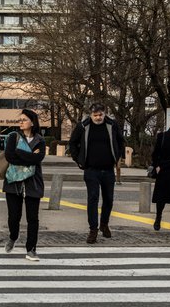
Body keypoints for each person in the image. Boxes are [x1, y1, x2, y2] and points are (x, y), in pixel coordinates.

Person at [69, 102, 125, 244]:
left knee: (109, 199)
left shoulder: (112, 125)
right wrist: (79, 160)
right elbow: (73, 143)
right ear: (90, 114)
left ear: (105, 113)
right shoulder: (83, 126)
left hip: (108, 169)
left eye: (100, 114)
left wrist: (118, 157)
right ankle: (93, 229)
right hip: (91, 170)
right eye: (95, 115)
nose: (98, 118)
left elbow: (120, 141)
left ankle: (104, 224)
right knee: (93, 199)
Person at [3, 109, 46, 261]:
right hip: (13, 182)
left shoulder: (40, 139)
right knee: (13, 217)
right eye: (20, 119)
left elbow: (38, 159)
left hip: (33, 183)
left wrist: (19, 153)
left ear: (32, 122)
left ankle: (31, 249)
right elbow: (10, 157)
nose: (21, 122)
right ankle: (13, 236)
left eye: (24, 119)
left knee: (32, 218)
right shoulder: (13, 136)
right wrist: (30, 156)